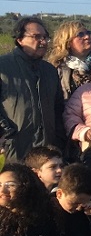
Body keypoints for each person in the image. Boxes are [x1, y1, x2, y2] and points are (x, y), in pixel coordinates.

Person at [0, 16, 64, 161]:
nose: (43, 41)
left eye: (45, 37)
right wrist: (6, 133)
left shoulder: (50, 71)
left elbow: (58, 108)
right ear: (20, 39)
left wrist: (59, 140)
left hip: (46, 154)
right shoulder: (3, 67)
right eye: (36, 36)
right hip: (13, 151)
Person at [49, 21, 91, 100]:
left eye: (88, 33)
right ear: (68, 42)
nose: (87, 37)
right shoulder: (56, 69)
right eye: (80, 34)